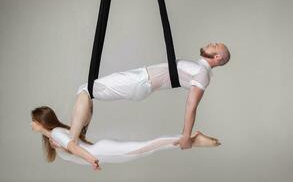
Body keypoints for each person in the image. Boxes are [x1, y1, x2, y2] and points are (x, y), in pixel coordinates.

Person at [69, 42, 230, 148]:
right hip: (140, 77)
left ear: (217, 57)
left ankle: (73, 140)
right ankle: (79, 136)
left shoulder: (202, 74)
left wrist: (186, 135)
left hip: (140, 82)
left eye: (215, 46)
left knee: (85, 90)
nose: (211, 44)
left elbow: (191, 105)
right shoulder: (199, 67)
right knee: (86, 92)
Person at [31, 106, 221, 170]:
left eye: (33, 121)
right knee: (146, 148)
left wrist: (92, 160)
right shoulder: (54, 137)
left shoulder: (56, 134)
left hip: (103, 152)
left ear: (40, 122)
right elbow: (72, 147)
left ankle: (191, 139)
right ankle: (191, 140)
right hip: (104, 151)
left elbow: (74, 148)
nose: (31, 124)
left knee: (147, 147)